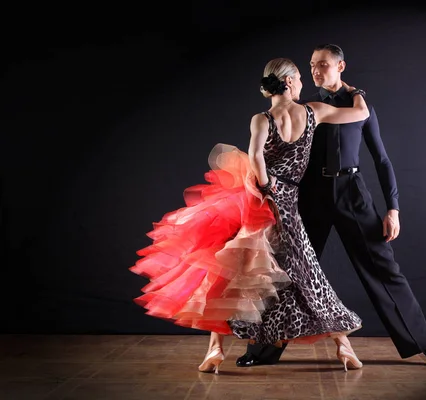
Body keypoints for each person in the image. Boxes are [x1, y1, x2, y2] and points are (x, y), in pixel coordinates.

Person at [130, 57, 371, 373]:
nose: (302, 82)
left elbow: (256, 156)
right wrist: (353, 89)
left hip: (258, 197)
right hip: (282, 200)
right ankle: (344, 347)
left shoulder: (262, 119)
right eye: (298, 76)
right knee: (307, 273)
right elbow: (361, 112)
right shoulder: (314, 111)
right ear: (287, 82)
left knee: (233, 272)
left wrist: (265, 188)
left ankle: (214, 351)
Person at [236, 44, 426, 368]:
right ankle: (260, 351)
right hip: (310, 195)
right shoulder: (306, 108)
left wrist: (393, 208)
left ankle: (424, 344)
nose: (316, 71)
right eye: (311, 65)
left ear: (341, 66)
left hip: (351, 192)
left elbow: (382, 159)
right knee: (287, 272)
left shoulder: (360, 106)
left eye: (322, 64)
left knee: (385, 270)